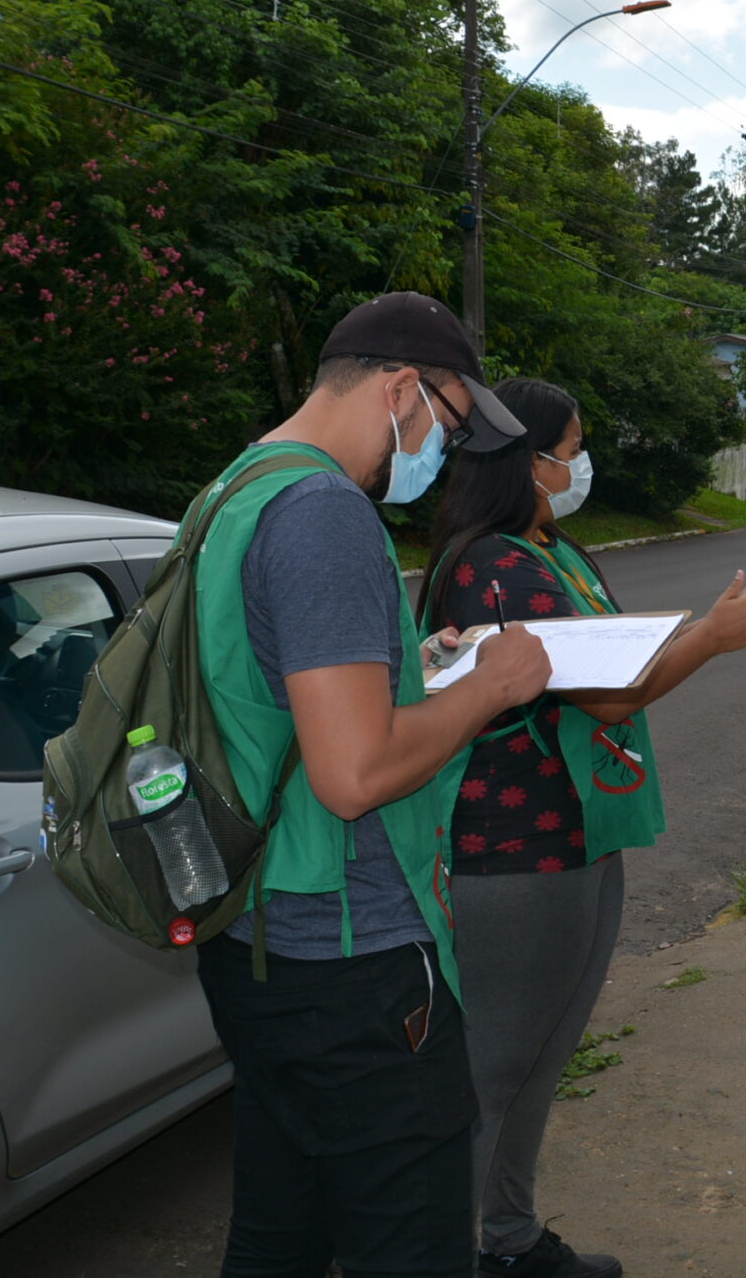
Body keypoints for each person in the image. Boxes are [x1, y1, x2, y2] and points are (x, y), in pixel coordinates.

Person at [422, 378, 746, 1278]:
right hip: (513, 854)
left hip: (581, 835)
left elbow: (618, 652)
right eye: (572, 449)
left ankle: (509, 1241)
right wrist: (713, 636)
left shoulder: (548, 547)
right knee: (493, 1071)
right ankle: (437, 1255)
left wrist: (710, 631)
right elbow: (606, 691)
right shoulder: (490, 565)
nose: (582, 465)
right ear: (527, 460)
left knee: (541, 1057)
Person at [192, 292, 557, 1278]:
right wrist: (490, 686)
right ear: (401, 389)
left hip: (256, 938)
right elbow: (353, 775)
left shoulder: (236, 489)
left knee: (279, 1239)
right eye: (449, 423)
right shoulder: (324, 512)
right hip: (353, 967)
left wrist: (415, 675)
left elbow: (275, 699)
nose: (445, 450)